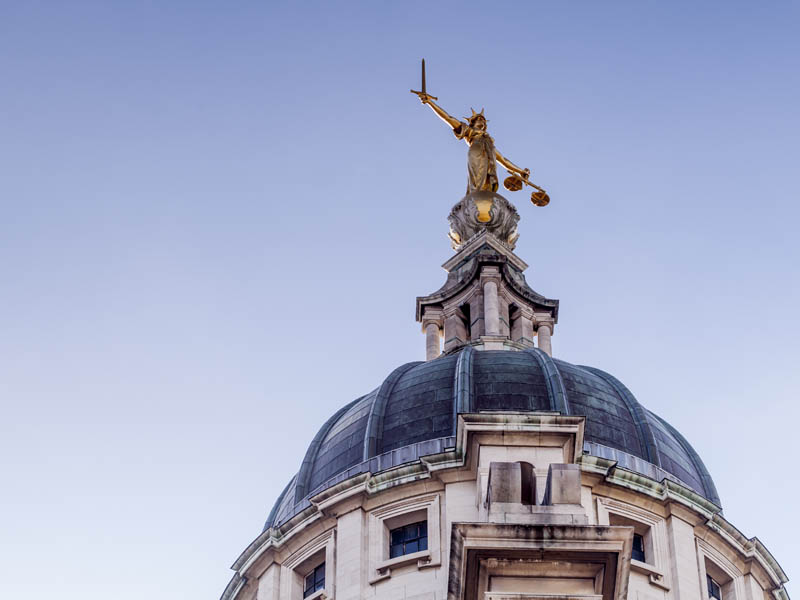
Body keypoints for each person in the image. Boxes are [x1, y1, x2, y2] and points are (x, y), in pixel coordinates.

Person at [413, 92, 530, 194]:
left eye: (484, 121)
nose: (482, 122)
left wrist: (521, 172)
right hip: (476, 153)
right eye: (479, 120)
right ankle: (475, 198)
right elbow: (448, 118)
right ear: (472, 123)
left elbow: (504, 161)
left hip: (488, 158)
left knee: (487, 185)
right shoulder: (469, 131)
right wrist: (430, 103)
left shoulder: (490, 144)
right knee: (476, 181)